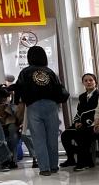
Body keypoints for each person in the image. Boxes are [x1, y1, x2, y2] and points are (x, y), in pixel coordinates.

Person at [14, 46, 69, 176]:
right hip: (51, 106)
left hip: (34, 106)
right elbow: (60, 90)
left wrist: (17, 102)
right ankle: (54, 166)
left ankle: (44, 168)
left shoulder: (25, 72)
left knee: (38, 139)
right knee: (52, 138)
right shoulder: (50, 72)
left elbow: (19, 88)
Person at [59, 73, 99, 171]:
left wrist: (85, 123)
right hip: (81, 124)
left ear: (95, 82)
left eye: (91, 80)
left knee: (81, 134)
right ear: (83, 83)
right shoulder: (82, 96)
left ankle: (85, 162)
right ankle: (71, 159)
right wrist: (77, 122)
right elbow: (79, 112)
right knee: (65, 135)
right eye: (85, 81)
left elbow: (98, 112)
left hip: (93, 125)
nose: (88, 82)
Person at [0, 86, 21, 169]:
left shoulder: (12, 106)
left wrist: (9, 108)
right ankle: (6, 159)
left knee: (13, 132)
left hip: (12, 130)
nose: (5, 100)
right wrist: (1, 109)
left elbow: (17, 119)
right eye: (3, 99)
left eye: (7, 97)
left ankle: (12, 160)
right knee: (1, 136)